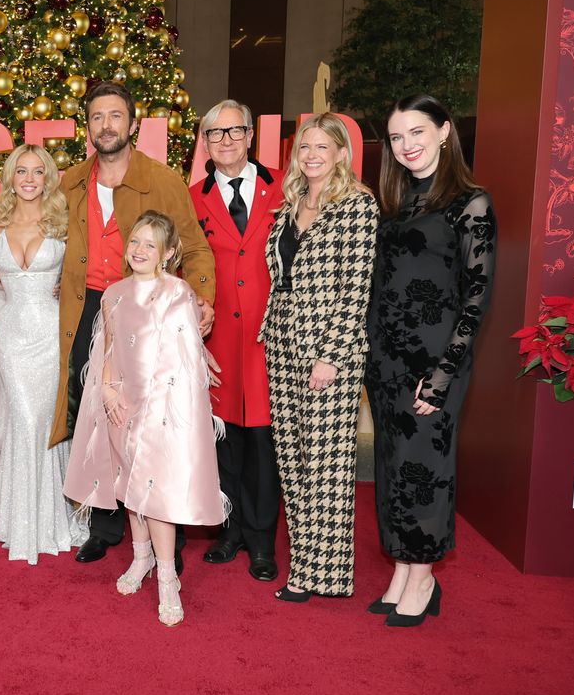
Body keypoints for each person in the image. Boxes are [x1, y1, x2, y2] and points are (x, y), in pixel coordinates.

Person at [52, 80, 216, 566]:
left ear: (133, 125)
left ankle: (169, 533)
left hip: (145, 312)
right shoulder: (71, 181)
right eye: (97, 117)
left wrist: (201, 297)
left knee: (155, 418)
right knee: (97, 410)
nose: (106, 125)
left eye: (115, 116)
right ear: (89, 127)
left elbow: (194, 244)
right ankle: (104, 525)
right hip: (90, 309)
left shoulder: (162, 180)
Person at [364, 95, 496, 626]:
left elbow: (477, 294)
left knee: (425, 469)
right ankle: (402, 566)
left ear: (445, 131)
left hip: (435, 361)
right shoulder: (397, 202)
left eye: (416, 132)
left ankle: (424, 576)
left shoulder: (471, 202)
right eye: (396, 138)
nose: (407, 146)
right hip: (386, 360)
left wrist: (444, 373)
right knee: (393, 467)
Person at [64, 211, 227, 625]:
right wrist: (106, 387)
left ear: (168, 253)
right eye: (135, 241)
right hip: (122, 403)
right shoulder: (113, 293)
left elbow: (184, 358)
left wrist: (158, 411)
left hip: (162, 411)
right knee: (129, 487)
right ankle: (141, 560)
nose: (139, 250)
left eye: (150, 245)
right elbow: (110, 346)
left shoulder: (177, 292)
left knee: (156, 497)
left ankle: (168, 576)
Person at [260, 113, 377, 603]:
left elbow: (357, 288)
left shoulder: (357, 206)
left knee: (326, 463)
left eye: (321, 147)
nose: (310, 155)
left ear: (340, 153)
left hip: (329, 347)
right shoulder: (291, 204)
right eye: (304, 147)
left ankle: (323, 575)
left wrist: (330, 354)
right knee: (292, 459)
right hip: (283, 339)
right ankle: (303, 564)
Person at [189, 100, 285, 582]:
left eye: (234, 131)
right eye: (214, 133)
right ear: (204, 143)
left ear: (251, 135)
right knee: (222, 439)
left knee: (264, 441)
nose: (225, 140)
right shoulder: (192, 197)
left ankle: (263, 541)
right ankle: (229, 531)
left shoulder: (286, 188)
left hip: (271, 338)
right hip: (216, 338)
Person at [0, 144, 86, 564]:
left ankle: (49, 518)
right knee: (21, 419)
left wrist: (67, 285)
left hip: (49, 334)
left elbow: (82, 270)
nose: (28, 179)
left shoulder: (63, 223)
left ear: (48, 177)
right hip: (11, 335)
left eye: (36, 172)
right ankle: (18, 520)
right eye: (20, 171)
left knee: (44, 421)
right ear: (10, 177)